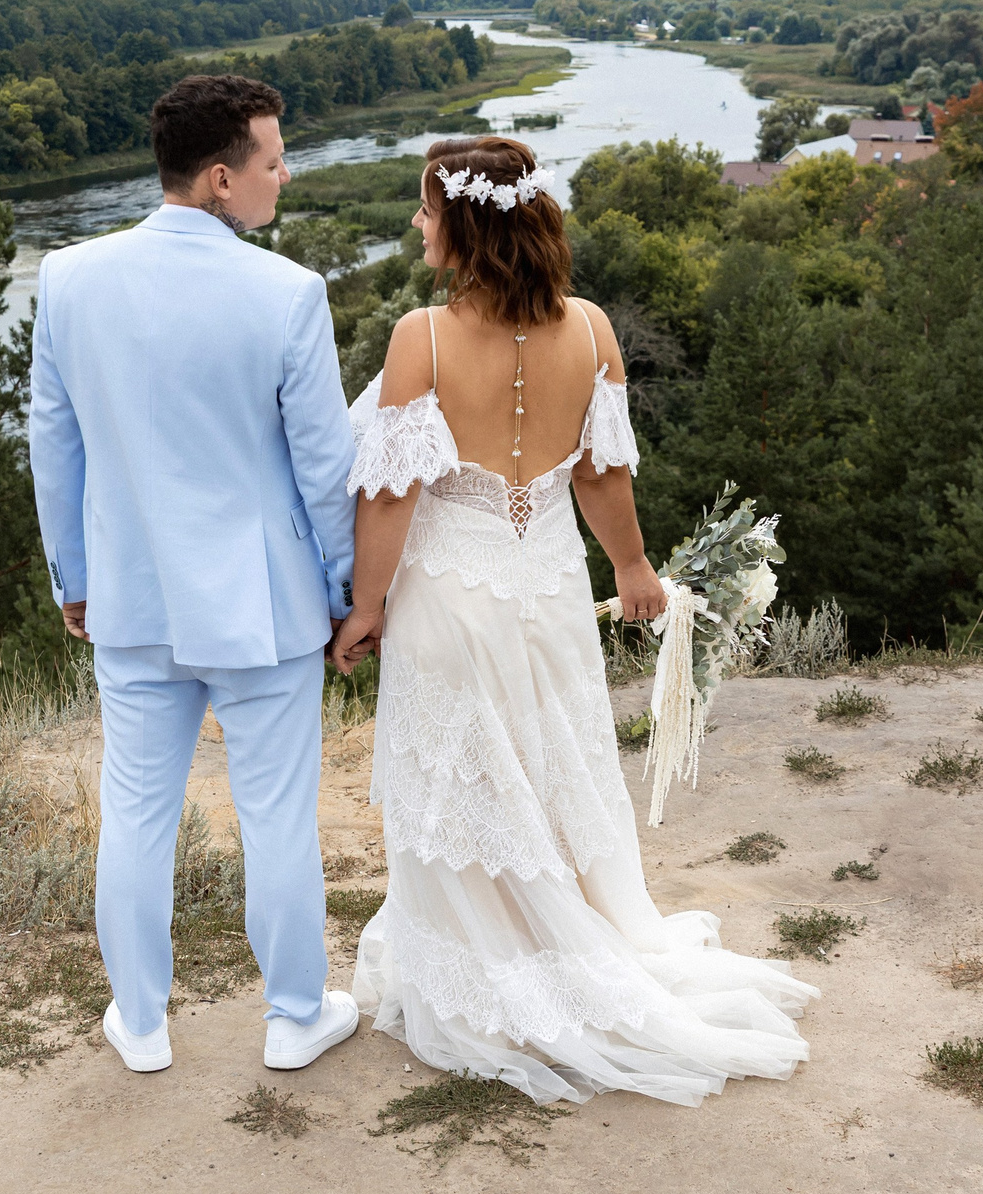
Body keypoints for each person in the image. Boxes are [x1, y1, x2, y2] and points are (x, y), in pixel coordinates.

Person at [328, 134, 814, 1105]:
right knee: (549, 765)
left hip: (450, 595)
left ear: (466, 225)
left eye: (426, 209)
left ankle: (491, 975)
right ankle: (560, 941)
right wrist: (630, 564)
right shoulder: (590, 327)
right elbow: (602, 472)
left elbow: (388, 495)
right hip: (547, 588)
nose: (417, 224)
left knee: (462, 778)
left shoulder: (421, 337)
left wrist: (365, 605)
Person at [29, 74, 362, 1075]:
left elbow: (53, 444)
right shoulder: (287, 292)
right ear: (221, 177)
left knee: (134, 811)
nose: (283, 175)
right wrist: (347, 596)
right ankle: (294, 1016)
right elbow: (326, 470)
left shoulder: (69, 277)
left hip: (130, 599)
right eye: (272, 161)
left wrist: (73, 577)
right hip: (266, 607)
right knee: (276, 817)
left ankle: (139, 1022)